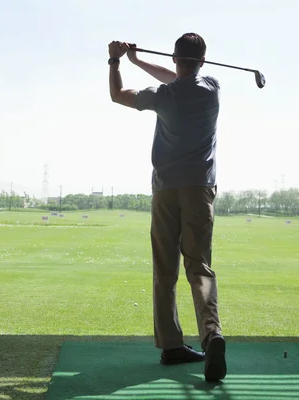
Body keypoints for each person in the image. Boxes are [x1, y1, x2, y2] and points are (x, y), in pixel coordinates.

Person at [107, 33, 226, 382]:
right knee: (199, 266)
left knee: (165, 269)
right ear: (203, 61)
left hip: (165, 190)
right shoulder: (212, 88)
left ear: (175, 58)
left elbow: (117, 95)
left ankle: (172, 346)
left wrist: (117, 61)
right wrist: (139, 60)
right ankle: (211, 333)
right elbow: (180, 74)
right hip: (199, 189)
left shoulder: (163, 96)